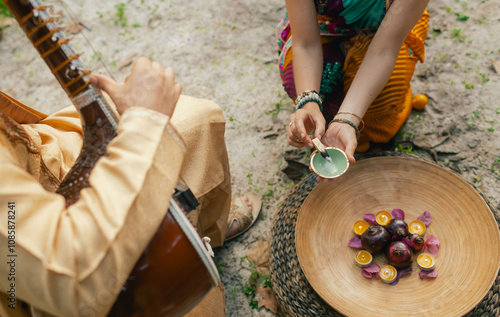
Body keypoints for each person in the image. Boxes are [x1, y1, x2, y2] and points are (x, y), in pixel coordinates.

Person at [0, 57, 260, 316]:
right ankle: (182, 258)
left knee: (196, 119)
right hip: (30, 273)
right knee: (174, 294)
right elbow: (69, 270)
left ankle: (200, 232)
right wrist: (145, 123)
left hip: (41, 151)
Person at [278, 0, 430, 164]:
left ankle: (397, 98)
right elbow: (306, 44)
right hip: (326, 26)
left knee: (380, 101)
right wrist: (309, 103)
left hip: (387, 31)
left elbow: (384, 51)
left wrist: (346, 119)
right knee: (305, 86)